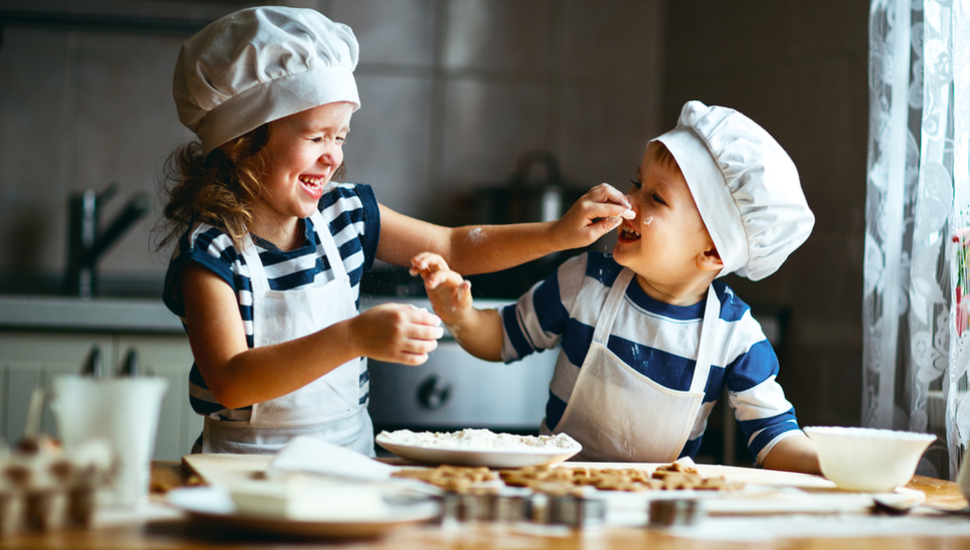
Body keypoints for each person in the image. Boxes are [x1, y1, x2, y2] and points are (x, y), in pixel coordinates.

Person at [157, 6, 635, 456]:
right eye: (316, 136)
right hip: (241, 474)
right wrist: (351, 337)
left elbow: (454, 245)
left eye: (340, 137)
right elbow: (230, 380)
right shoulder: (211, 251)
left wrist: (557, 235)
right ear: (241, 142)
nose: (333, 156)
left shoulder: (346, 214)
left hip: (348, 466)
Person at [412, 100, 821, 474]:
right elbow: (502, 338)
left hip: (656, 509)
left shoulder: (736, 336)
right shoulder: (585, 281)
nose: (628, 202)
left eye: (655, 199)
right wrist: (462, 317)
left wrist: (831, 463)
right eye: (636, 183)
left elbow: (775, 439)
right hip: (557, 495)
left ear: (713, 250)